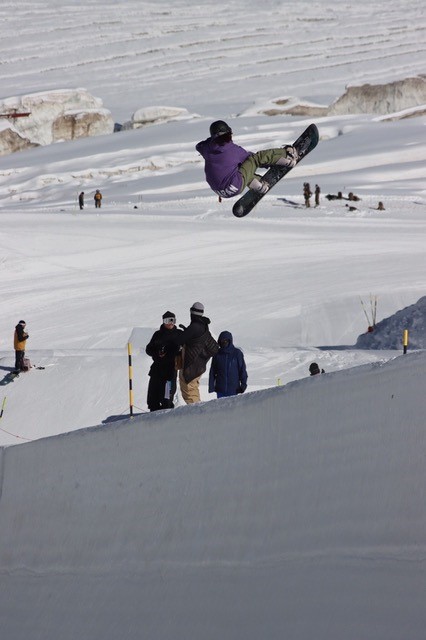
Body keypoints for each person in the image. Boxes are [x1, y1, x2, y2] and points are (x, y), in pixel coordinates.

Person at [196, 120, 298, 198]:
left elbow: (198, 145)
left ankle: (259, 185)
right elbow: (253, 160)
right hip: (234, 186)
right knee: (254, 159)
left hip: (219, 191)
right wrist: (271, 162)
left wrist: (212, 141)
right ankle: (286, 157)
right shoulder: (233, 150)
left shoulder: (205, 148)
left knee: (240, 169)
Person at [174, 302, 219, 404]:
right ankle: (198, 414)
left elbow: (179, 341)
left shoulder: (194, 326)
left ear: (191, 312)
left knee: (189, 393)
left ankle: (198, 415)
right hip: (198, 366)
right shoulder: (204, 326)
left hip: (191, 367)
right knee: (193, 391)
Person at [145, 311, 183, 412]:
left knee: (167, 399)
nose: (170, 323)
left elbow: (187, 348)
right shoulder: (157, 334)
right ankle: (152, 421)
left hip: (170, 372)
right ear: (163, 321)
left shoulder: (179, 334)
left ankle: (167, 420)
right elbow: (148, 349)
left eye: (173, 320)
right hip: (156, 370)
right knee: (153, 398)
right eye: (168, 320)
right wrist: (157, 353)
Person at [208, 331, 248, 398]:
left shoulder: (237, 353)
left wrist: (243, 384)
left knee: (232, 408)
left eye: (225, 341)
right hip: (220, 390)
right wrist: (211, 386)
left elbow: (242, 370)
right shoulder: (217, 354)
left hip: (234, 389)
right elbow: (212, 371)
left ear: (230, 341)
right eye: (221, 341)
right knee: (221, 407)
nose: (223, 343)